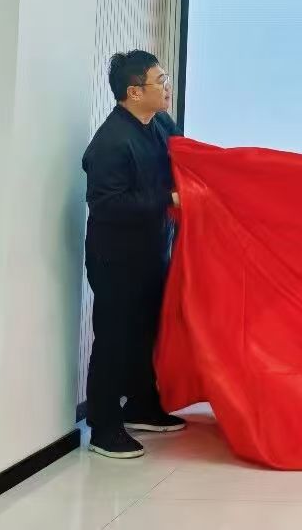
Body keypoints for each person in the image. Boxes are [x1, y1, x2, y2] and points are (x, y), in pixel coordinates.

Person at [82, 50, 187, 459]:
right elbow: (107, 204)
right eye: (160, 81)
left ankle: (142, 405)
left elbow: (186, 155)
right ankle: (104, 427)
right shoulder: (110, 143)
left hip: (151, 250)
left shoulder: (159, 124)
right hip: (116, 258)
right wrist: (169, 199)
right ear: (134, 92)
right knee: (114, 339)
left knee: (146, 331)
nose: (167, 87)